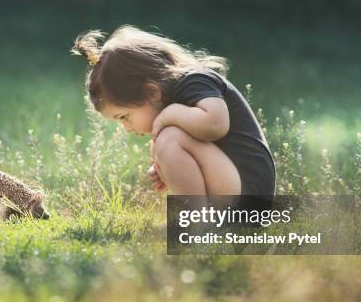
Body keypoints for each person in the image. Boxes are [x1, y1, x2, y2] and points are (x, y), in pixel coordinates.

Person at [71, 25, 276, 202]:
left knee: (170, 138)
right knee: (168, 140)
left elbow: (216, 124)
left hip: (250, 193)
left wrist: (170, 114)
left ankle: (195, 226)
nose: (126, 128)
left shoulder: (196, 81)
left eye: (124, 117)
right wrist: (171, 168)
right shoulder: (176, 104)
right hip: (235, 187)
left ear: (152, 92)